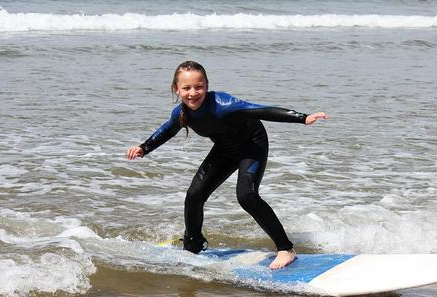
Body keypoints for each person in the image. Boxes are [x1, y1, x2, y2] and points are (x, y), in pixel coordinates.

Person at [127, 61, 328, 269]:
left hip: (252, 145)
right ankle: (193, 244)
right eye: (186, 88)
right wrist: (144, 148)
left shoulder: (223, 104)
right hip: (225, 149)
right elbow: (167, 130)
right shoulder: (181, 113)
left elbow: (261, 110)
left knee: (247, 195)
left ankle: (286, 249)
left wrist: (303, 118)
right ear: (176, 89)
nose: (193, 93)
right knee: (194, 195)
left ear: (207, 85)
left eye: (199, 86)